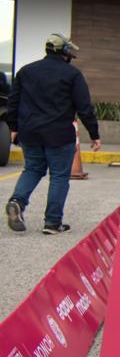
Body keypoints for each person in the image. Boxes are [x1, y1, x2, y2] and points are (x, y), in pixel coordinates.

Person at [5, 33, 102, 234]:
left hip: (30, 132)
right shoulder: (72, 74)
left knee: (32, 169)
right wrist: (94, 134)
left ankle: (17, 201)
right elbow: (84, 107)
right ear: (65, 51)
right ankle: (52, 222)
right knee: (59, 176)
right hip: (59, 134)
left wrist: (14, 128)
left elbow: (13, 102)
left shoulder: (26, 71)